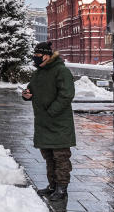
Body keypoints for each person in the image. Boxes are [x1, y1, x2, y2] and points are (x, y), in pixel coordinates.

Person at [22, 42, 75, 200]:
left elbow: (67, 94)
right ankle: (52, 185)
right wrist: (26, 94)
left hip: (59, 123)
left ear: (47, 55)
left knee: (61, 157)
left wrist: (52, 111)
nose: (35, 58)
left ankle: (62, 188)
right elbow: (30, 88)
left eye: (38, 56)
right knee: (49, 156)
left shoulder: (61, 71)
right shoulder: (39, 72)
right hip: (44, 123)